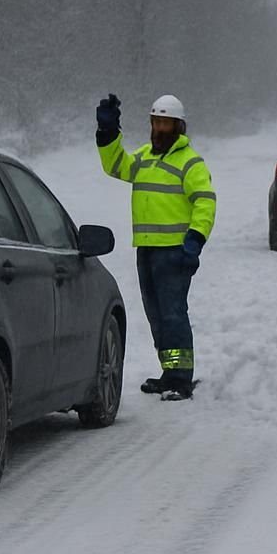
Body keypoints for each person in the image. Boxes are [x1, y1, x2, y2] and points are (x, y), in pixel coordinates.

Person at [95, 93, 216, 400]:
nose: (159, 129)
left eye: (166, 123)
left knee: (173, 315)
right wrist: (108, 133)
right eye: (156, 122)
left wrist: (195, 240)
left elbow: (204, 202)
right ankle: (170, 371)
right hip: (147, 250)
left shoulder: (190, 163)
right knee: (157, 315)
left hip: (175, 252)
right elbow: (117, 166)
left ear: (179, 127)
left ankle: (181, 379)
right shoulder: (145, 157)